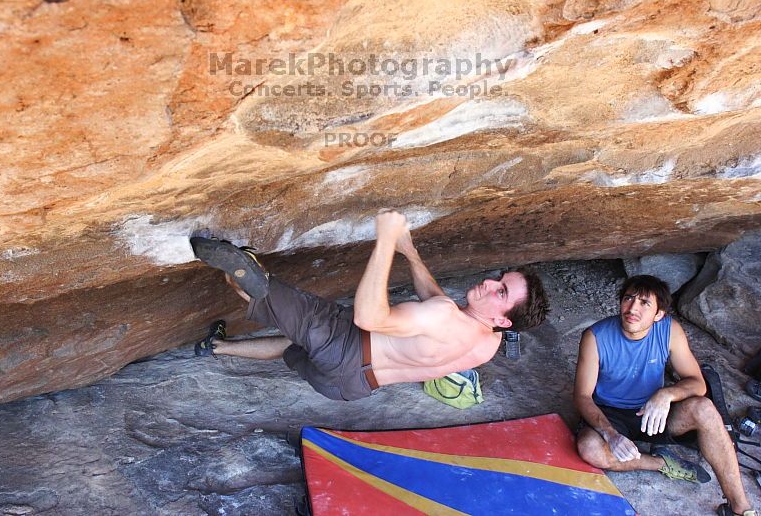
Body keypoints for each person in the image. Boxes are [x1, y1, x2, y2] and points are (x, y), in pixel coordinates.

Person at [190, 209, 549, 401]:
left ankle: (236, 266)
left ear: (503, 320)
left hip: (342, 342)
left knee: (266, 293)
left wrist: (387, 239)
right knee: (292, 343)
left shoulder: (444, 317)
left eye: (500, 292)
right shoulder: (489, 342)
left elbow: (369, 316)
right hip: (347, 387)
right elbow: (438, 304)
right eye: (500, 279)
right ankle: (219, 347)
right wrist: (409, 252)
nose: (489, 284)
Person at [574, 274, 756, 516]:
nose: (632, 308)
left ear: (658, 314)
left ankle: (741, 508)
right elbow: (582, 397)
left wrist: (666, 394)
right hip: (611, 413)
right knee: (590, 448)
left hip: (654, 412)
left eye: (644, 303)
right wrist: (610, 434)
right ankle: (662, 463)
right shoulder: (595, 336)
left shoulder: (669, 330)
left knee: (704, 408)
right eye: (628, 299)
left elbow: (698, 383)